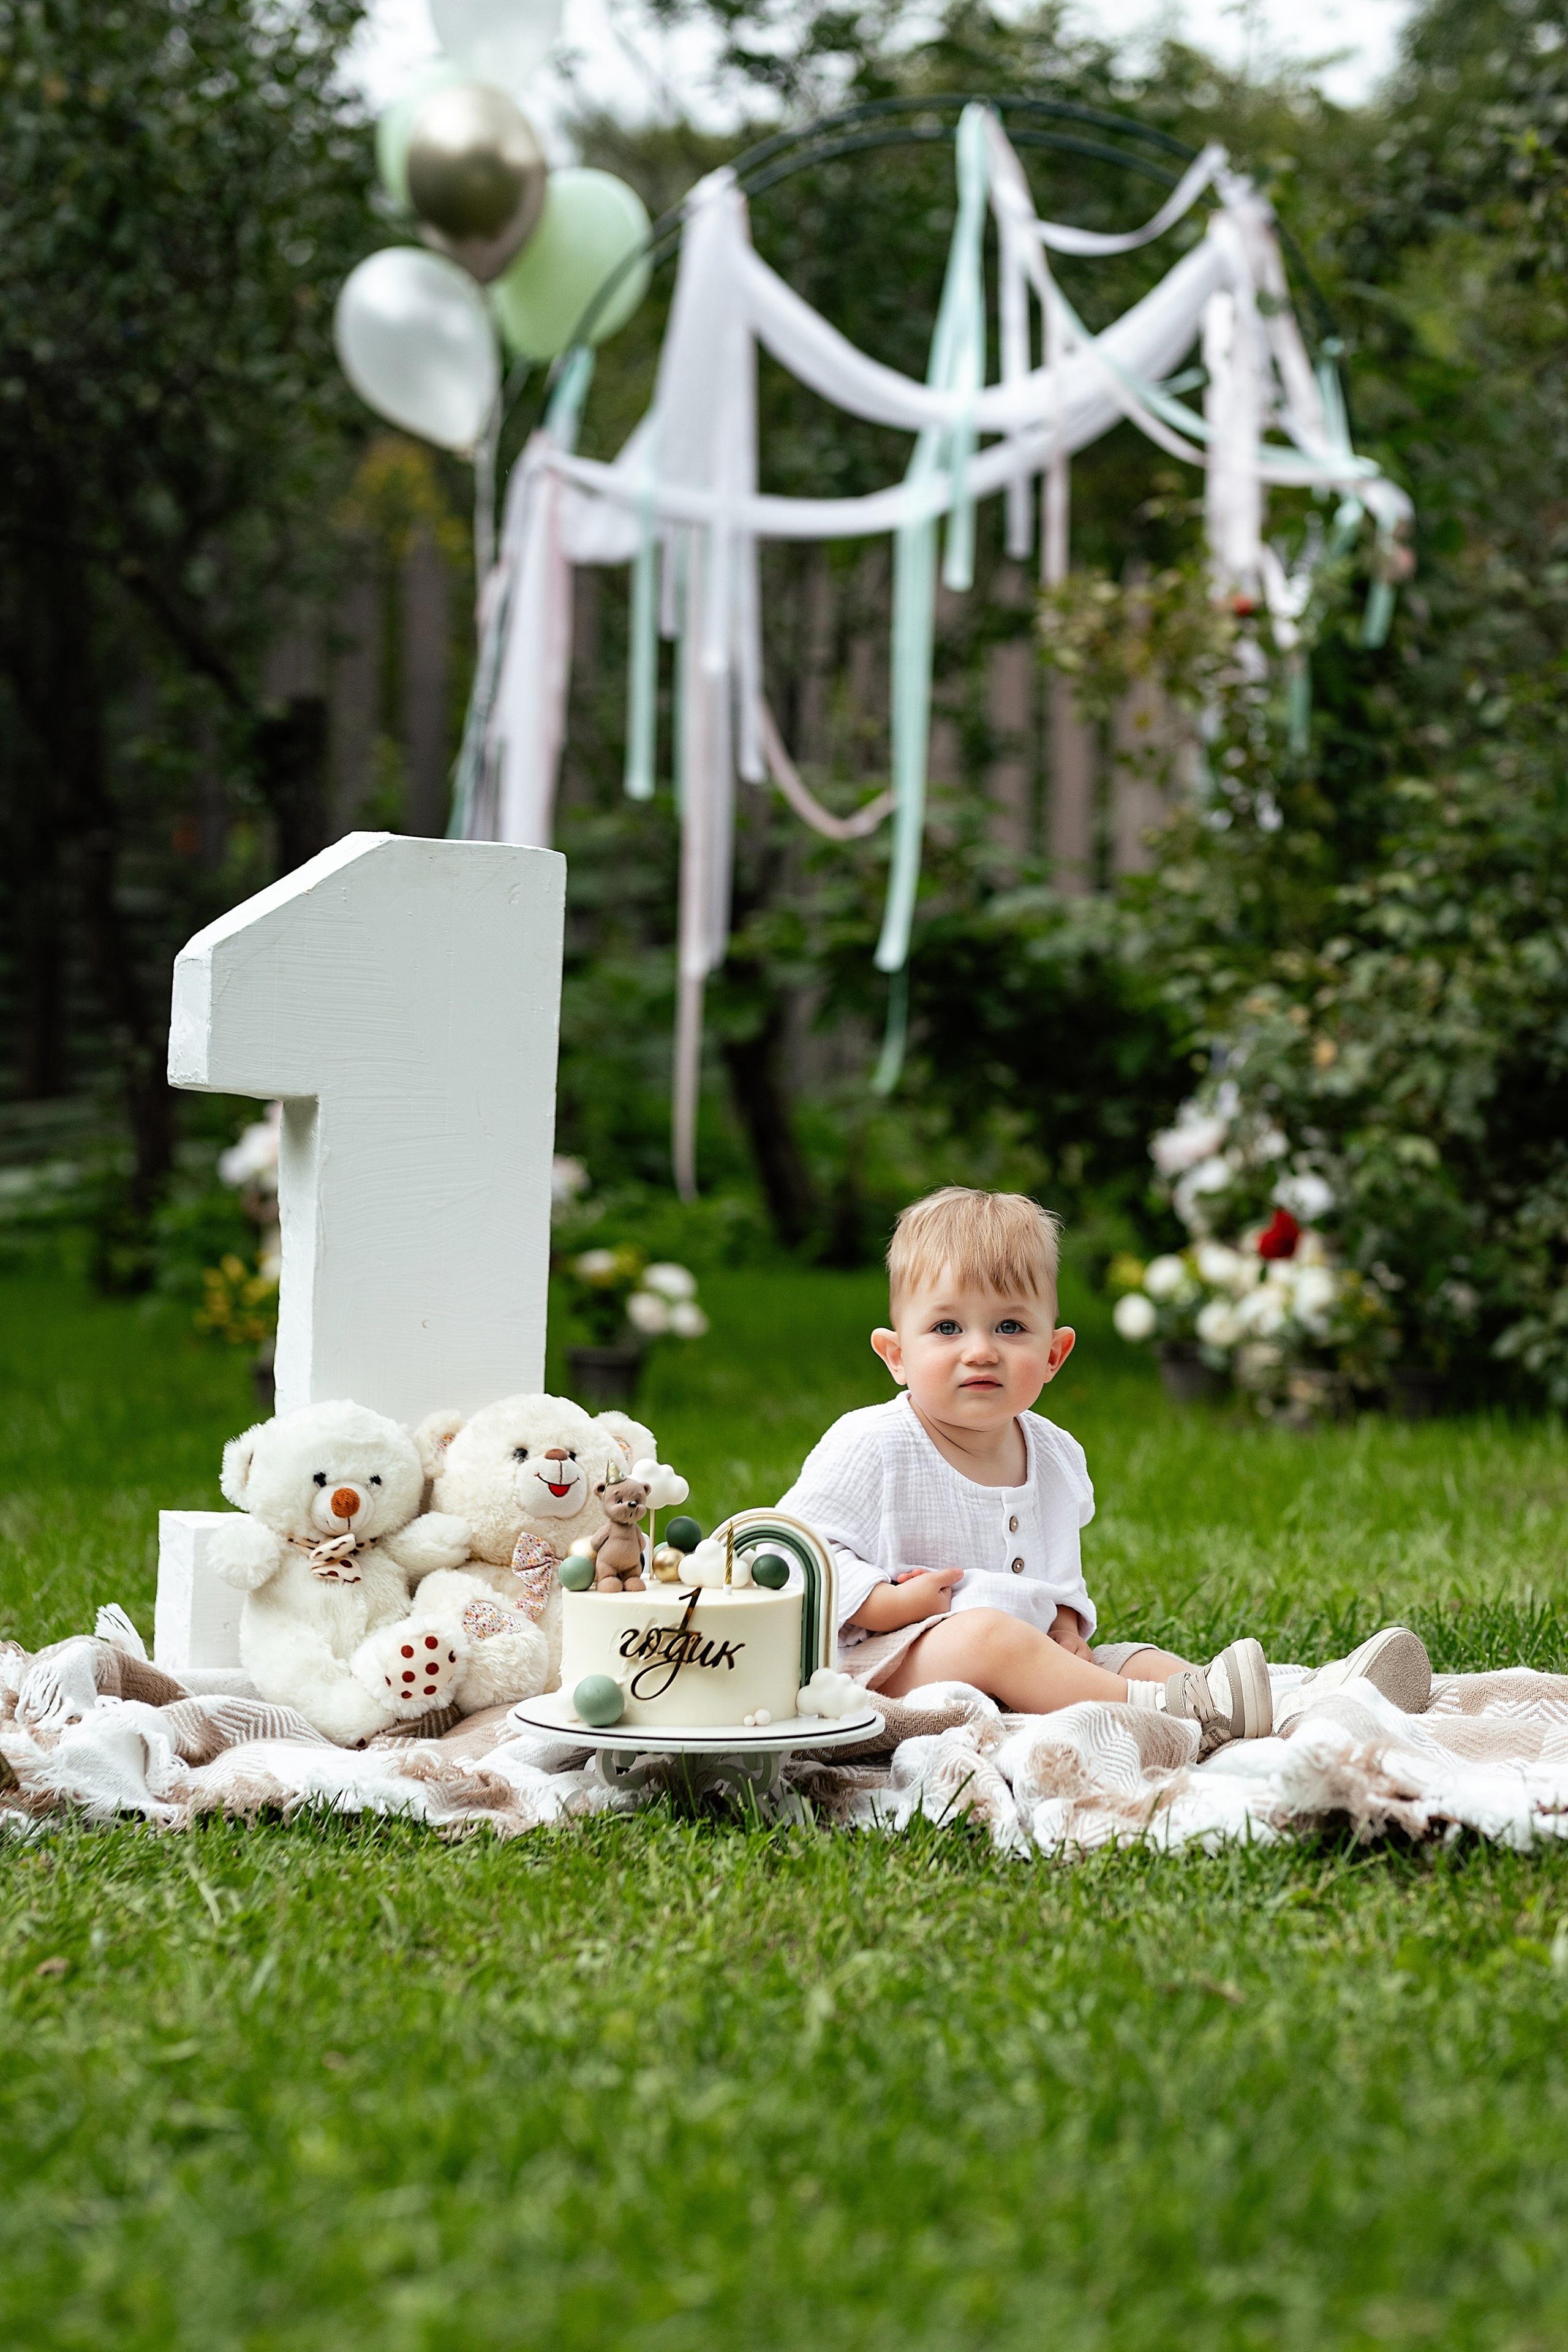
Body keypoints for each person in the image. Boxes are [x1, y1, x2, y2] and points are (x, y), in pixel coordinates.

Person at [777, 1186, 1430, 1752]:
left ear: (1053, 1354)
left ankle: (1290, 1705)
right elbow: (791, 1552)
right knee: (989, 1637)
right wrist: (887, 1602)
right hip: (889, 1662)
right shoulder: (873, 1442)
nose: (979, 1351)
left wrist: (1065, 1625)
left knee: (1138, 1660)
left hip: (1028, 1658)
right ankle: (1178, 1718)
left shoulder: (1055, 1456)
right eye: (946, 1328)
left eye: (1009, 1327)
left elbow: (1057, 1572)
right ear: (895, 1355)